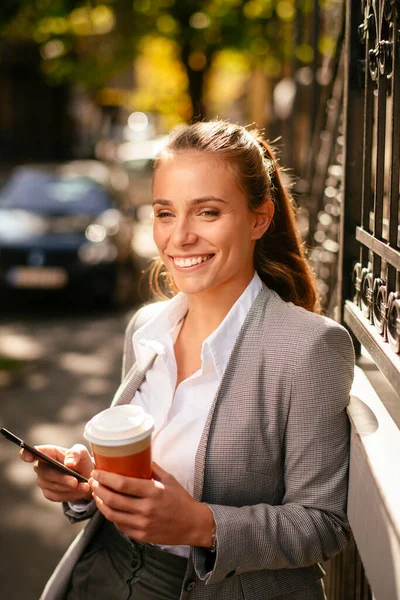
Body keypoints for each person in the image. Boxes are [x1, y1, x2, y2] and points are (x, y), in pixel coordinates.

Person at [21, 120, 355, 600]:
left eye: (208, 212)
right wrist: (86, 478)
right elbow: (140, 475)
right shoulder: (146, 328)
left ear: (260, 218)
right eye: (164, 213)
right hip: (101, 575)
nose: (179, 237)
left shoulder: (309, 347)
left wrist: (203, 525)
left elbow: (323, 525)